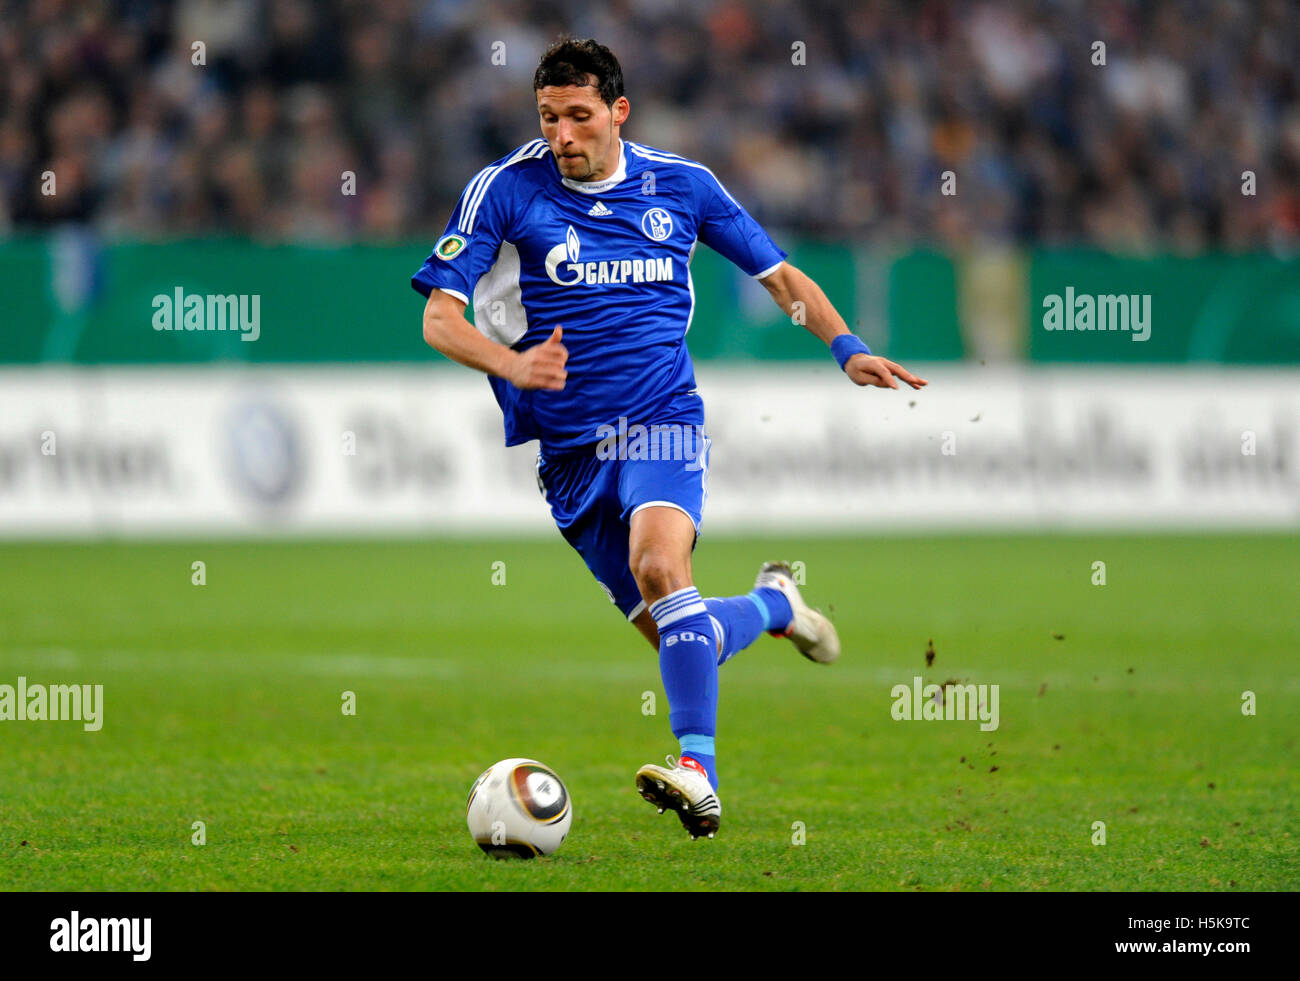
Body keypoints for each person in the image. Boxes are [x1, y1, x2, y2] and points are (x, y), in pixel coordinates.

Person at [412, 37, 926, 840]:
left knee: (661, 565)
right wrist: (511, 364)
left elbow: (779, 277)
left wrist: (845, 345)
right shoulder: (505, 190)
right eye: (549, 118)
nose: (563, 136)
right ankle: (775, 603)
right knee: (682, 631)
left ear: (619, 112)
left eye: (580, 117)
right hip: (569, 456)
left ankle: (700, 772)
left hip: (662, 418)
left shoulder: (682, 186)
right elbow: (439, 317)